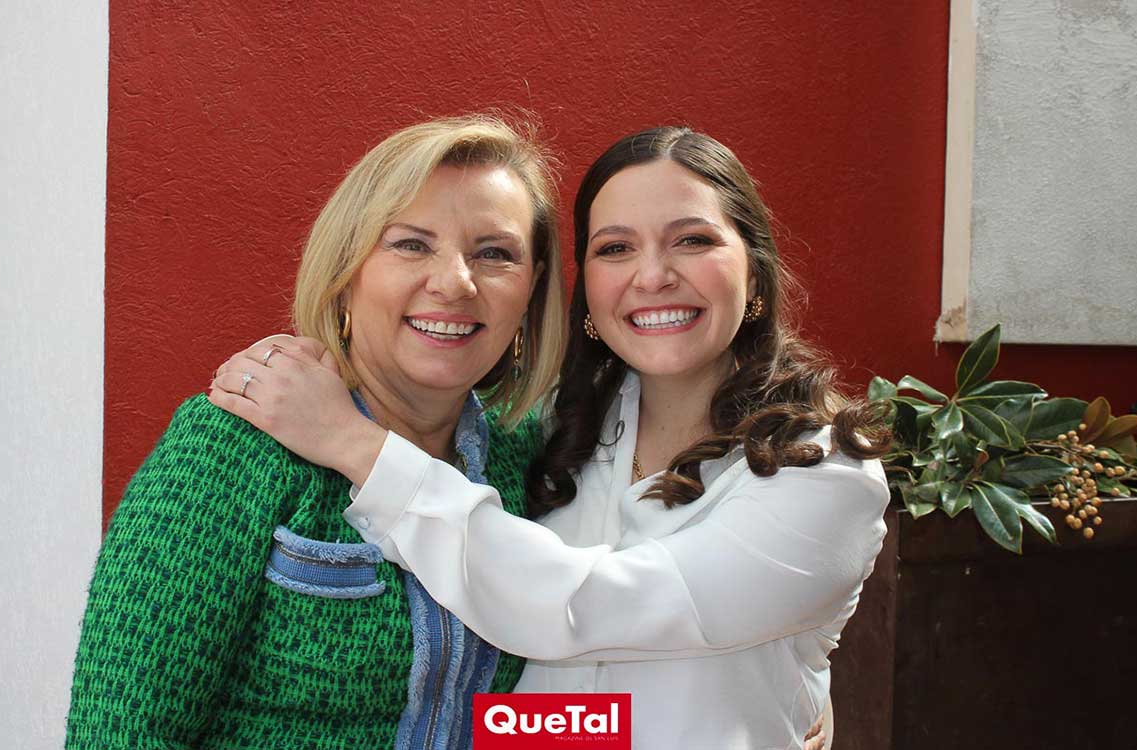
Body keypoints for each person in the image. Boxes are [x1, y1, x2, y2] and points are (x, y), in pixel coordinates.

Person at [211, 127, 888, 749]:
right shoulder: (549, 435)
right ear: (585, 288)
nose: (653, 276)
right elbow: (570, 703)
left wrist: (353, 444)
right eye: (615, 248)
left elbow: (584, 608)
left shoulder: (825, 473)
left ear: (755, 271)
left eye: (693, 240)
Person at [64, 114, 569, 749]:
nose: (454, 282)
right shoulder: (237, 443)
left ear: (531, 290)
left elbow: (545, 712)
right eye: (411, 244)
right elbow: (118, 734)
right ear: (347, 269)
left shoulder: (527, 460)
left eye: (494, 253)